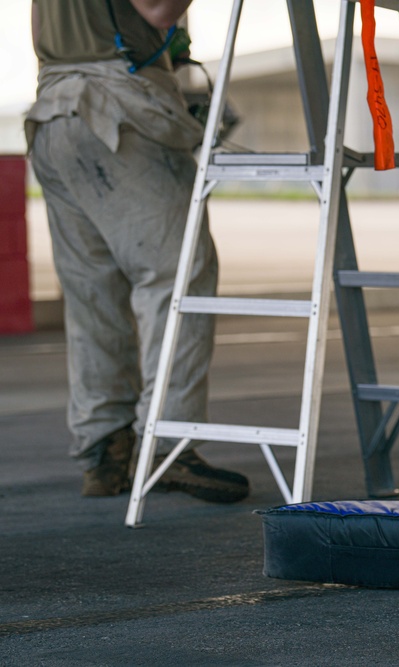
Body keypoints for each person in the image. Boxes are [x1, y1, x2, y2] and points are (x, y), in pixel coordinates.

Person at [26, 0, 249, 503]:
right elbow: (156, 9)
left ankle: (105, 450)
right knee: (178, 275)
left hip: (55, 111)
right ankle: (168, 445)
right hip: (114, 107)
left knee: (92, 291)